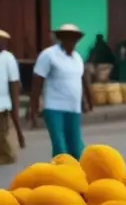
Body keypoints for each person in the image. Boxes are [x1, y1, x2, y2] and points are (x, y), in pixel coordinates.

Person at [30, 23, 93, 158]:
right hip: (54, 107)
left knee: (76, 147)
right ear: (61, 38)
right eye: (68, 37)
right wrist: (34, 105)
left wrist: (86, 101)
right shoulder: (48, 55)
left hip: (73, 107)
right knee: (60, 147)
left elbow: (81, 81)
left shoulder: (77, 58)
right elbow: (37, 81)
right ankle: (61, 175)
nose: (72, 41)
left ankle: (77, 174)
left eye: (75, 38)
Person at [0, 30, 25, 164]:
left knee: (2, 133)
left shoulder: (8, 57)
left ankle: (7, 156)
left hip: (2, 102)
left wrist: (14, 103)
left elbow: (14, 82)